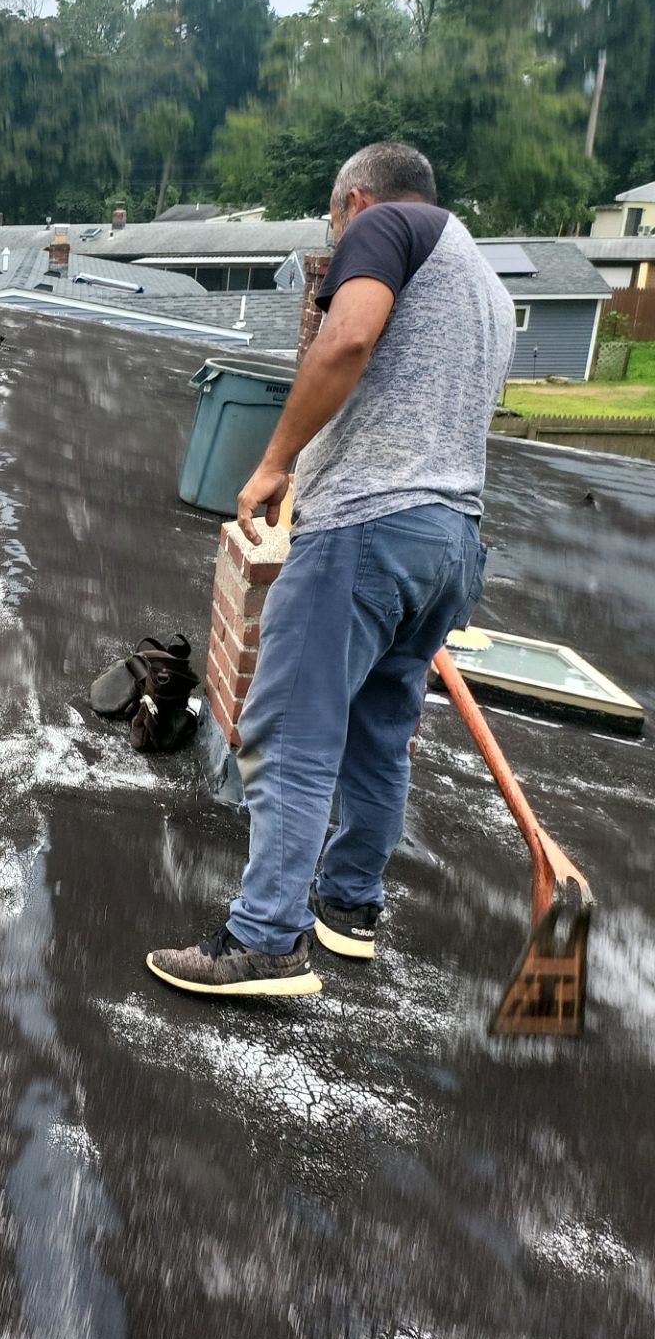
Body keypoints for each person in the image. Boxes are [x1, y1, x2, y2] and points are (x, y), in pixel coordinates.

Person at [148, 142, 513, 997]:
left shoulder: (381, 224)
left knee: (291, 733)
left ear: (354, 201)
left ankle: (265, 938)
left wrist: (276, 460)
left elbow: (347, 339)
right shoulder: (485, 281)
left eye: (332, 220)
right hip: (452, 540)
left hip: (365, 532)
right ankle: (349, 909)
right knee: (382, 734)